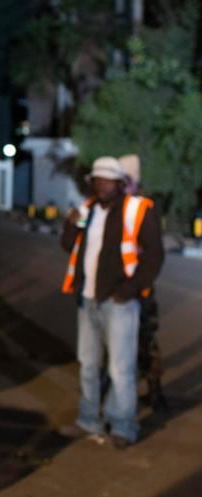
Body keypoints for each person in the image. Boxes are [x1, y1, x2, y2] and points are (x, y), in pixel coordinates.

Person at [59, 156, 164, 449]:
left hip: (119, 301)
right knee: (88, 365)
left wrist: (130, 289)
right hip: (88, 299)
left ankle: (123, 426)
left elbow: (155, 256)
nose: (100, 184)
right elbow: (70, 246)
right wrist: (70, 225)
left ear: (120, 184)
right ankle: (88, 420)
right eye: (97, 179)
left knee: (120, 367)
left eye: (107, 180)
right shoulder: (88, 210)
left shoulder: (138, 210)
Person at [119, 154, 167, 410]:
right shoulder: (117, 205)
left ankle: (155, 390)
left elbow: (152, 252)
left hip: (141, 286)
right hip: (118, 284)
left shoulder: (142, 207)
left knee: (145, 339)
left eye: (126, 181)